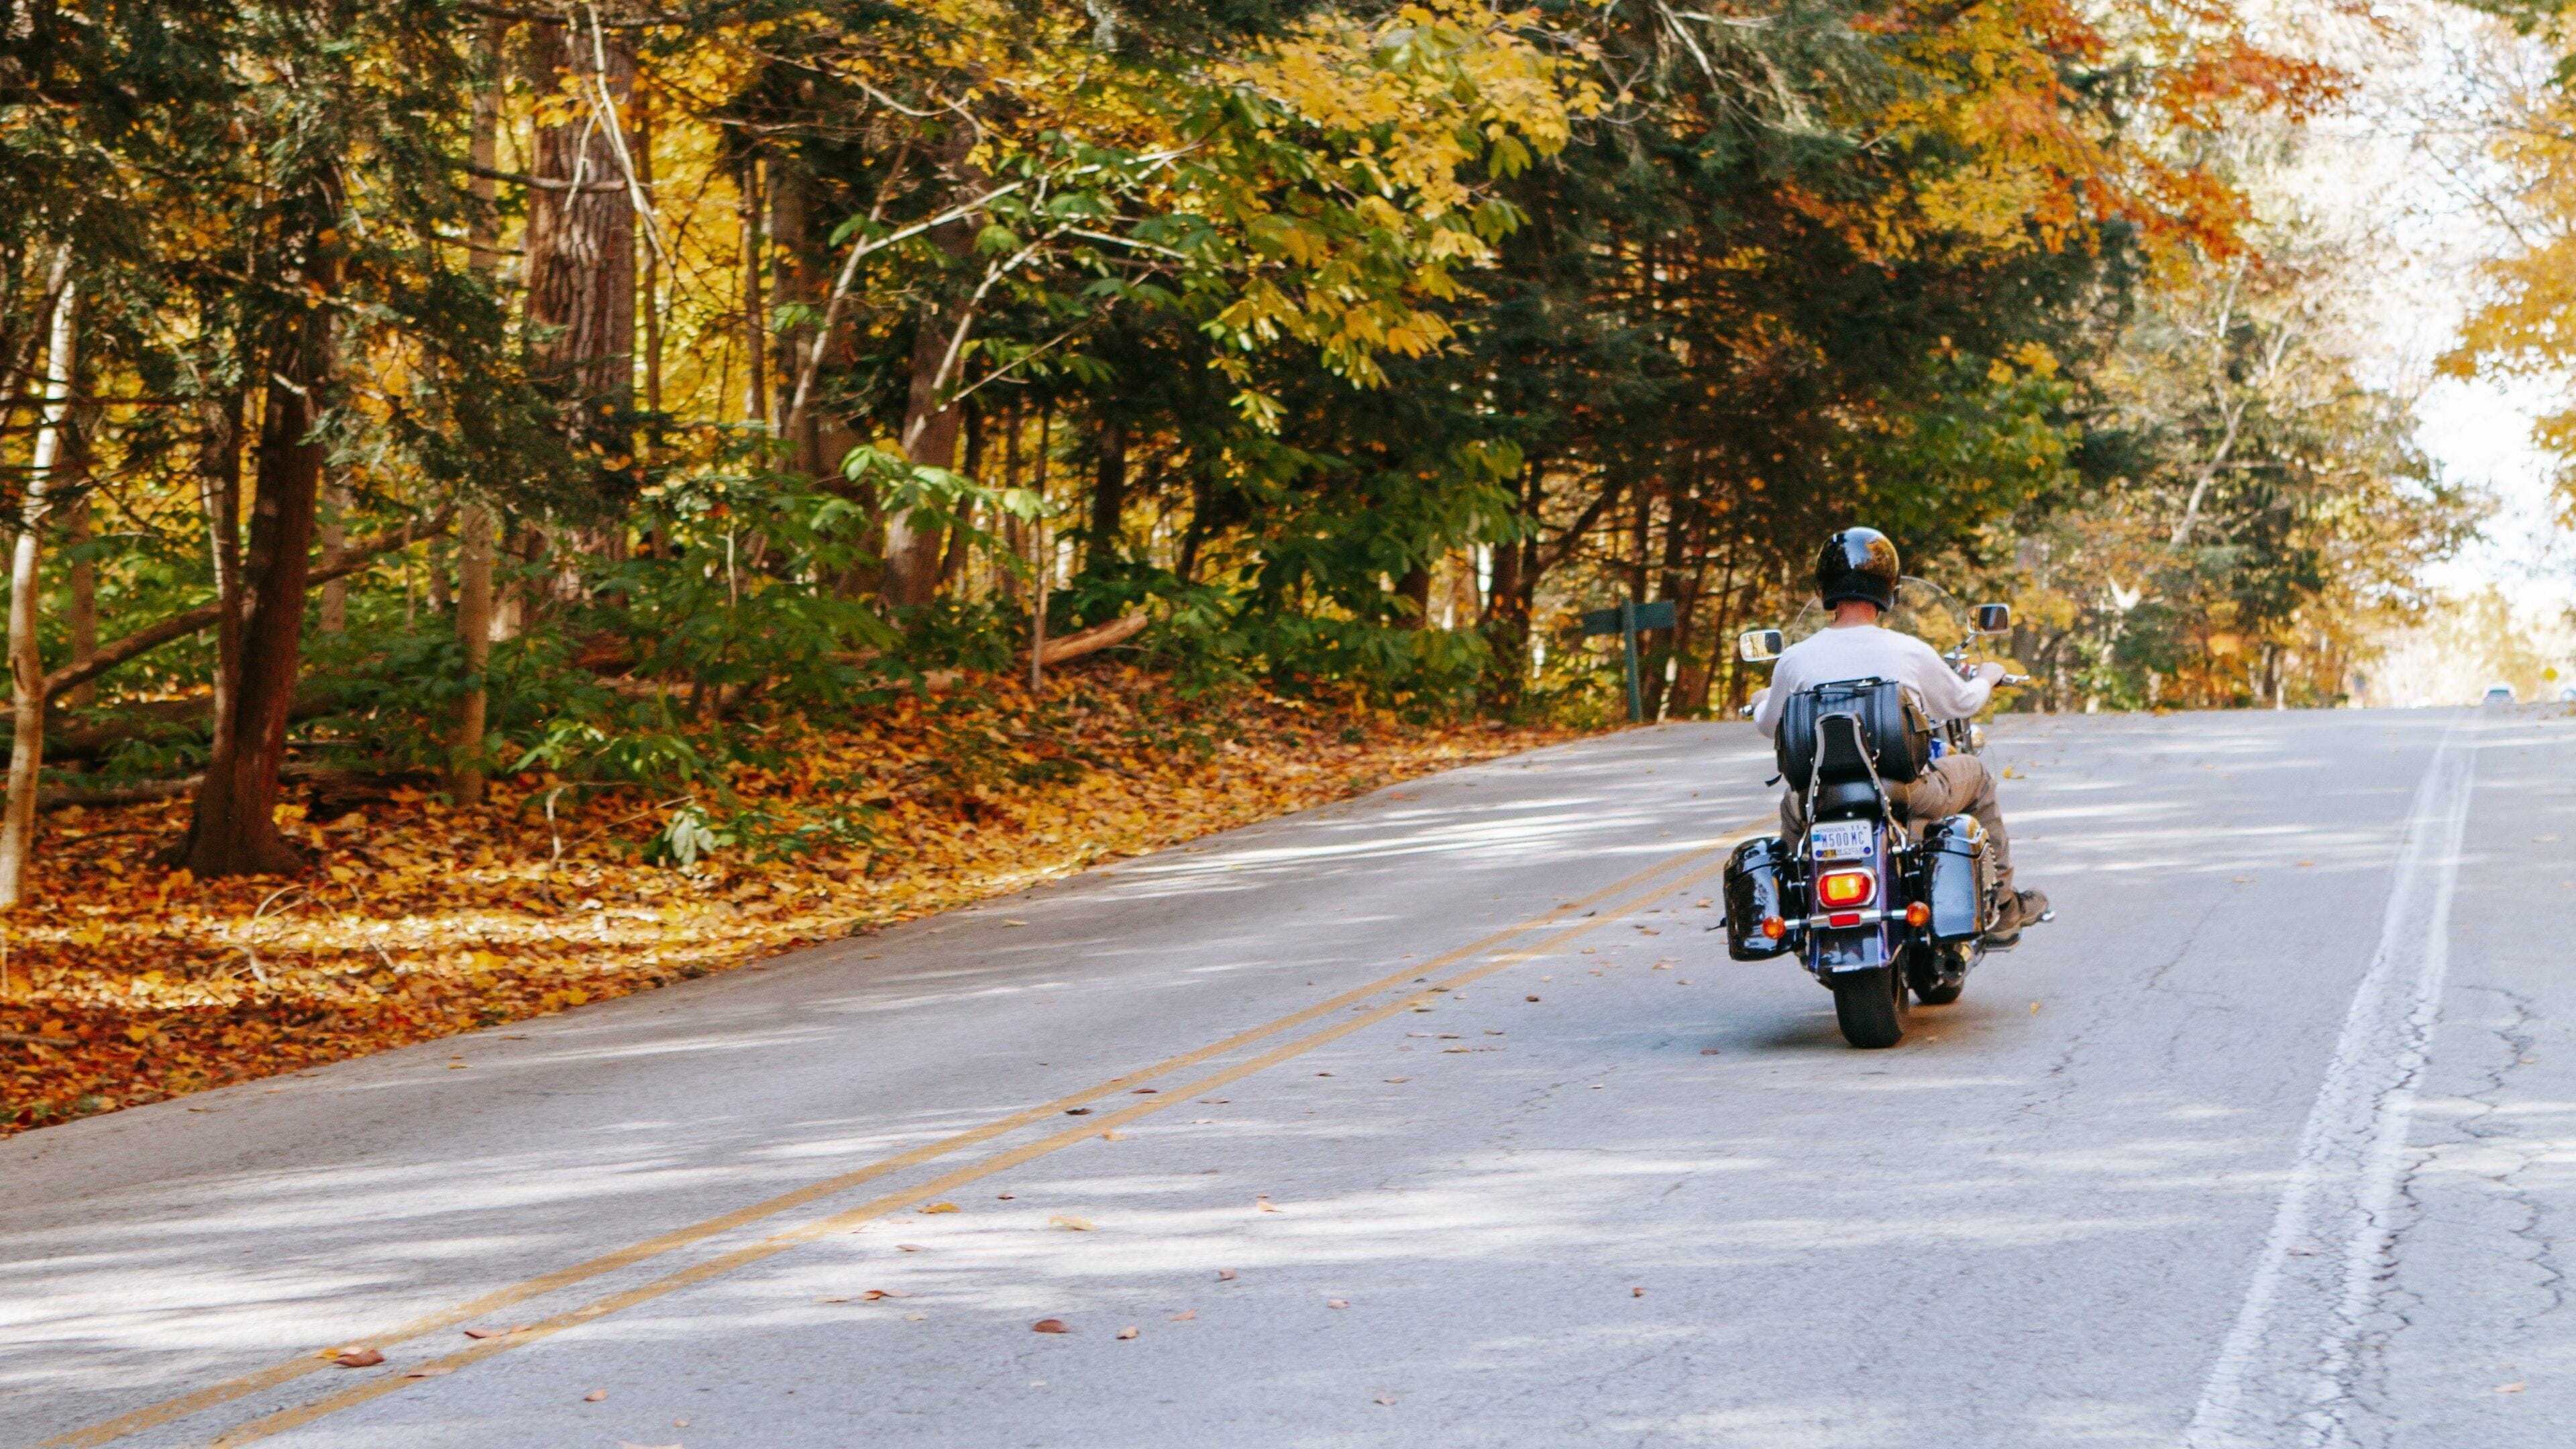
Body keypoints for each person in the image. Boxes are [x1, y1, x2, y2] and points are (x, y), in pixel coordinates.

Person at [1750, 527, 2050, 947]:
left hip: (1820, 800)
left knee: (1790, 809)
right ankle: (2002, 909)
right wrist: (1987, 676)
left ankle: (1798, 905)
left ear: (1824, 591)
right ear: (1888, 588)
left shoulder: (1795, 659)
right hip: (1905, 793)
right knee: (1977, 776)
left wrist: (1761, 697)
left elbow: (1769, 725)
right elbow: (1960, 703)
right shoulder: (1908, 650)